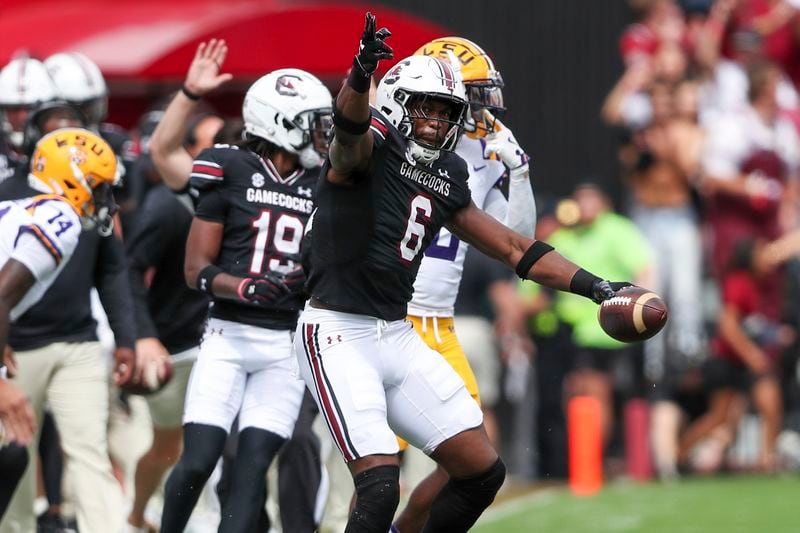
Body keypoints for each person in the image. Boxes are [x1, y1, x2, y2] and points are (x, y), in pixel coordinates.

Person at [298, 13, 631, 533]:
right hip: (338, 331)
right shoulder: (367, 153)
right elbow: (349, 134)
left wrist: (599, 287)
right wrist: (361, 73)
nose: (435, 120)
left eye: (445, 110)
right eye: (425, 107)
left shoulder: (446, 170)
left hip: (396, 333)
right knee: (381, 484)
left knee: (480, 470)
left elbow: (512, 244)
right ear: (397, 104)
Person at [160, 63, 332, 533]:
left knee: (252, 469)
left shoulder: (322, 185)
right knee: (199, 461)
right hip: (228, 336)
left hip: (283, 347)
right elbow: (196, 269)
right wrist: (244, 287)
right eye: (314, 123)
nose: (323, 135)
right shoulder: (229, 167)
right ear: (280, 121)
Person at [392, 36, 536, 533]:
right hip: (389, 319)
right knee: (379, 469)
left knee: (472, 458)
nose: (480, 111)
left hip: (442, 325)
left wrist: (518, 173)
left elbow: (518, 245)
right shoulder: (394, 141)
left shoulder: (482, 152)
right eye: (470, 96)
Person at [0, 119, 136, 532]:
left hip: (67, 341)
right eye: (101, 187)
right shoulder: (61, 220)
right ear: (75, 181)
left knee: (12, 458)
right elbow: (2, 296)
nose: (109, 200)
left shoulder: (25, 209)